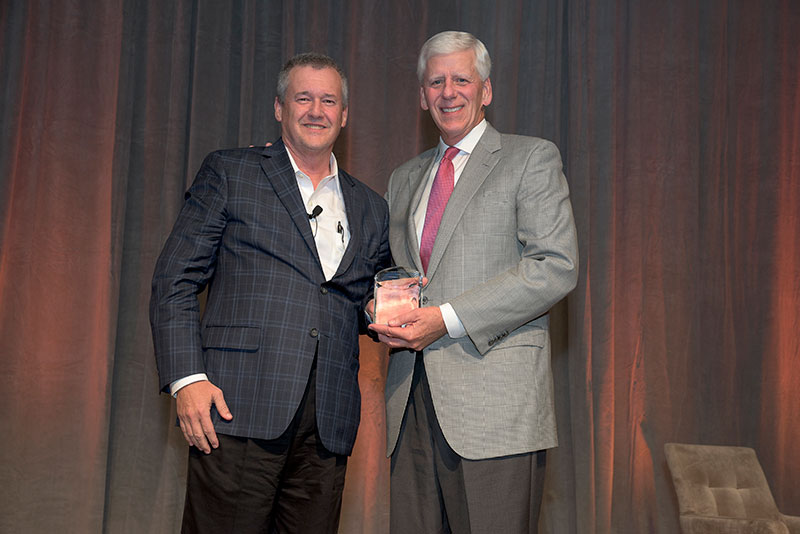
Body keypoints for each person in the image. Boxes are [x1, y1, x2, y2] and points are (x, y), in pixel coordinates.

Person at [150, 52, 391, 534]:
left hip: (328, 424)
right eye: (303, 98)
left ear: (344, 115)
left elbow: (365, 299)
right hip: (237, 408)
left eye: (328, 100)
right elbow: (174, 281)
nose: (316, 111)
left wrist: (394, 308)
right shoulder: (231, 173)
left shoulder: (370, 205)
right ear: (280, 108)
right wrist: (186, 379)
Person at [369, 31, 579, 533]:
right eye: (436, 81)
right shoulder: (404, 178)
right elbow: (395, 274)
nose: (449, 92)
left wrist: (445, 319)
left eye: (461, 79)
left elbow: (554, 265)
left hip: (495, 411)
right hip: (410, 402)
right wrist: (379, 310)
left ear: (485, 90)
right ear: (422, 96)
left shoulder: (531, 158)